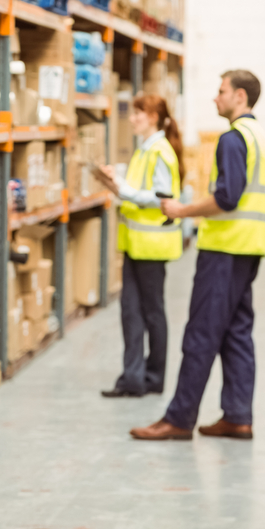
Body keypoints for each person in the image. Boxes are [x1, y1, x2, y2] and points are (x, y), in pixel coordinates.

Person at [130, 70, 265, 441]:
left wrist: (182, 210)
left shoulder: (233, 139)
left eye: (221, 91)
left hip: (224, 250)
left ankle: (178, 419)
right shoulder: (261, 137)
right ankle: (238, 416)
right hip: (249, 248)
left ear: (239, 97)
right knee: (236, 333)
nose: (216, 98)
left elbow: (227, 198)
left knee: (200, 334)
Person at [101, 94, 184, 398]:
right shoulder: (145, 149)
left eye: (138, 113)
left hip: (153, 244)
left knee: (152, 312)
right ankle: (132, 379)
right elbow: (139, 189)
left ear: (152, 117)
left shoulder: (160, 151)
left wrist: (123, 189)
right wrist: (115, 181)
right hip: (136, 243)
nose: (133, 118)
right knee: (130, 311)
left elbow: (162, 196)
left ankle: (153, 377)